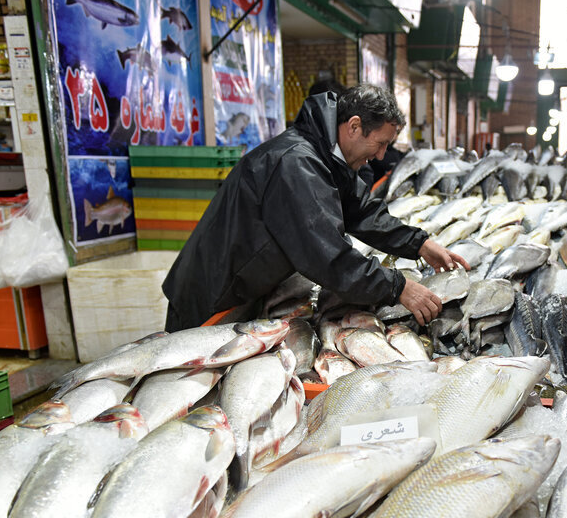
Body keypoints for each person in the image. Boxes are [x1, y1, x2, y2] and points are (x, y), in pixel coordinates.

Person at [162, 84, 468, 332]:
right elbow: (328, 256)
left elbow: (362, 211)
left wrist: (419, 244)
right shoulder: (296, 163)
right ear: (354, 126)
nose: (381, 156)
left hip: (246, 288)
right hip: (212, 297)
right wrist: (397, 287)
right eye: (380, 143)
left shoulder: (329, 156)